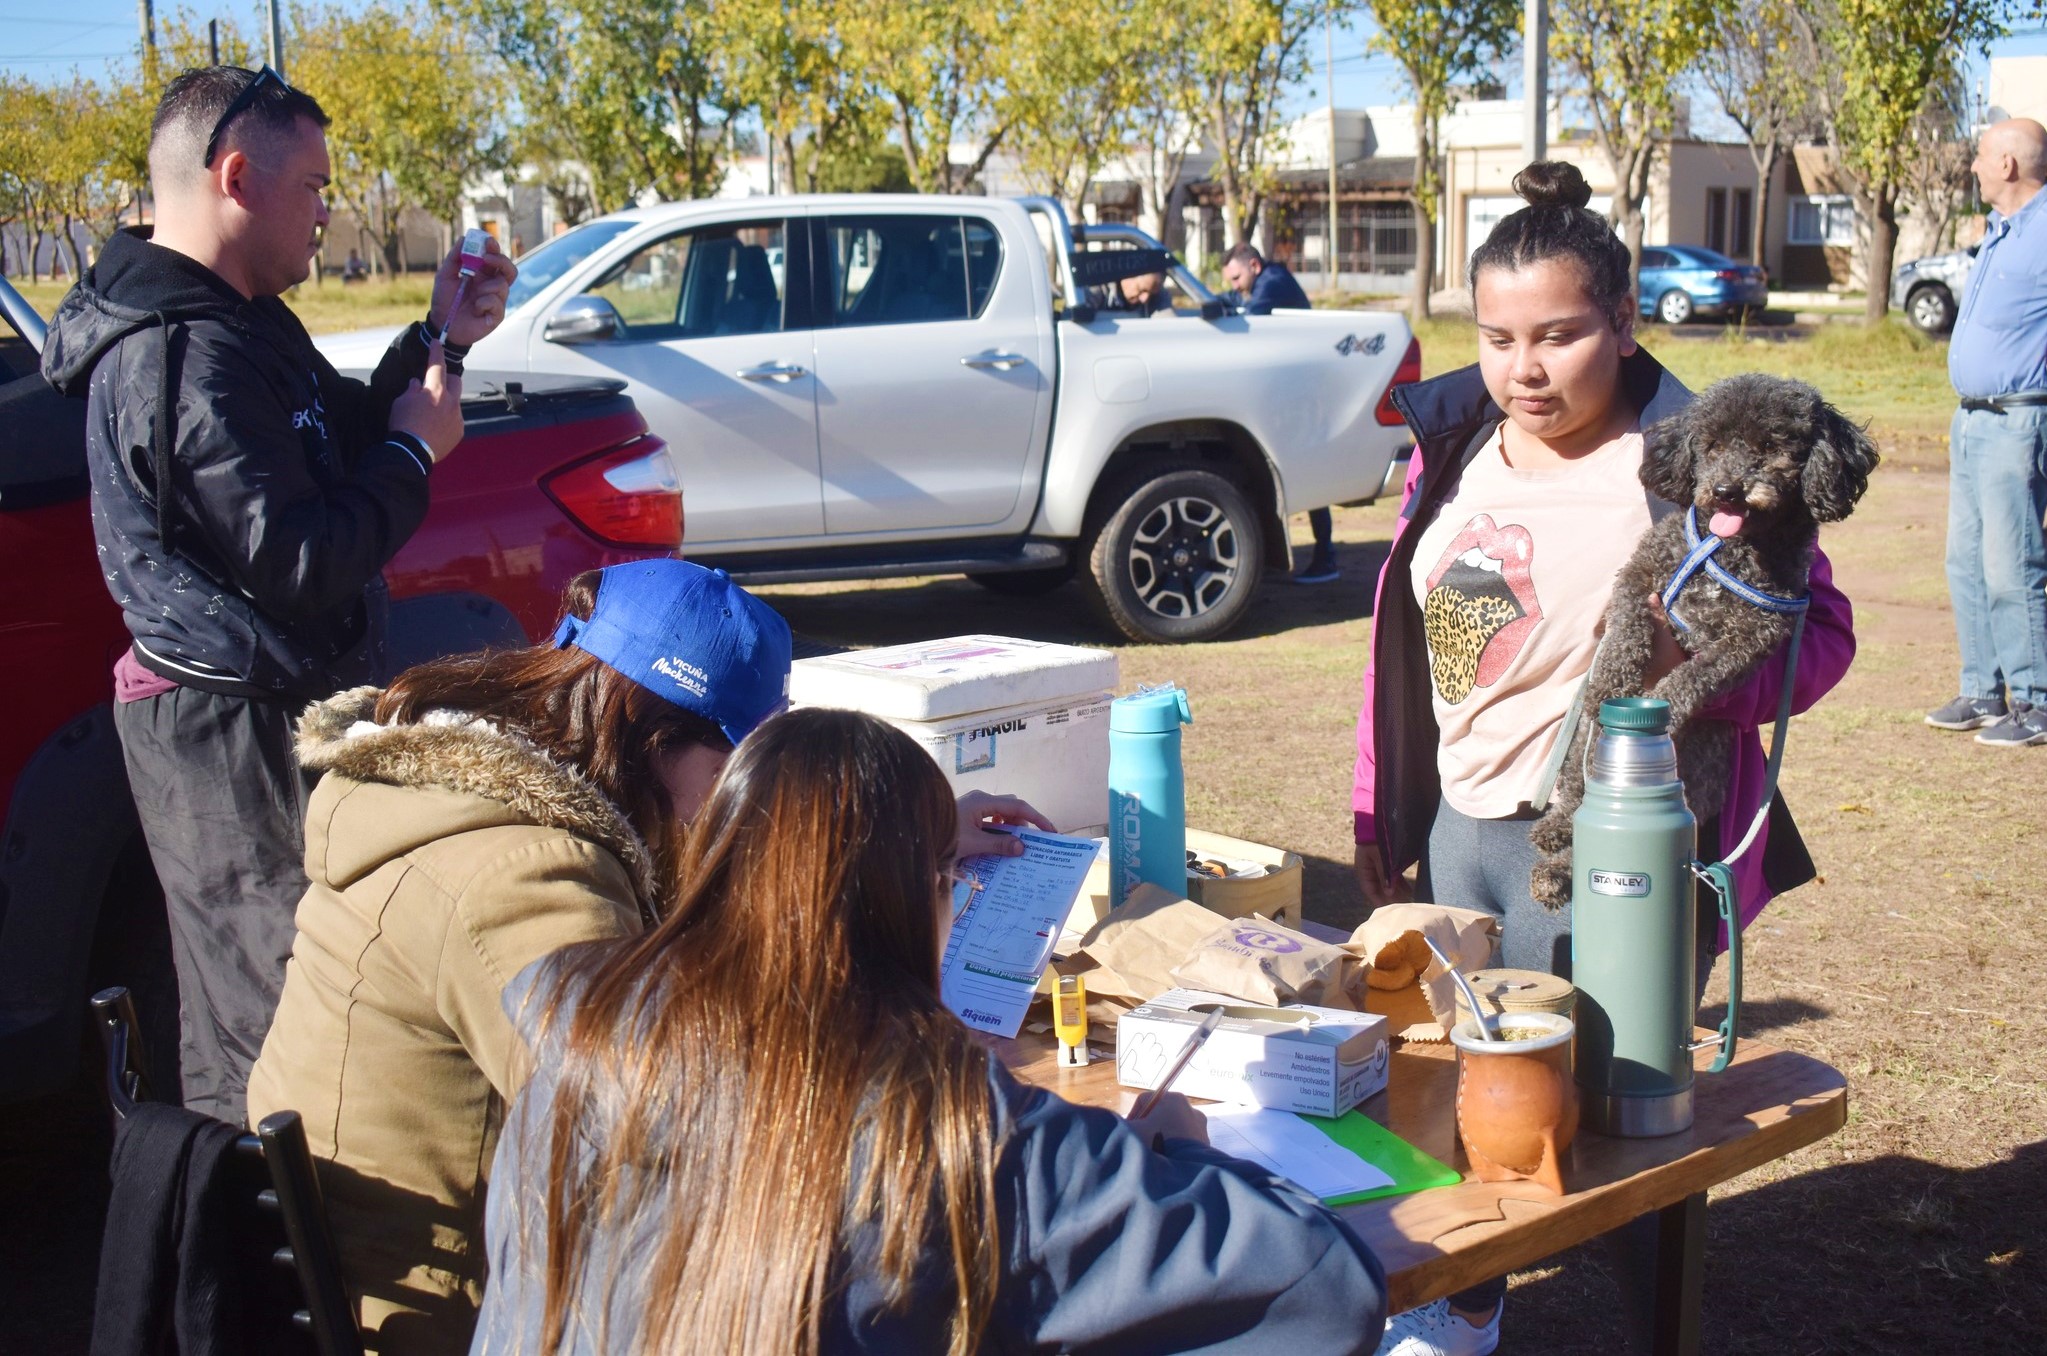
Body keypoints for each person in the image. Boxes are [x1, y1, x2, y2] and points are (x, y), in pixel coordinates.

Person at [247, 560, 1052, 1355]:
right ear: (649, 736)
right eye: (730, 770)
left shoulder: (493, 794)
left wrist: (907, 836)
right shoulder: (521, 878)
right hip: (447, 1309)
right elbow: (678, 1134)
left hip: (439, 1261)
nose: (737, 806)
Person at [1350, 161, 1855, 1356]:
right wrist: (1387, 822)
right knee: (1448, 1107)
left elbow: (1813, 642)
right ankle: (1460, 1315)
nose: (1524, 368)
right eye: (1496, 336)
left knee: (1621, 1128)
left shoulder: (1693, 470)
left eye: (1561, 335)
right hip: (1456, 835)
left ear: (1624, 325)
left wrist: (1687, 694)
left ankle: (1649, 1333)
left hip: (1599, 845)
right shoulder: (1454, 445)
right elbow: (1413, 652)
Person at [471, 705, 1389, 1356]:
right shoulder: (951, 1128)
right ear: (919, 896)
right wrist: (1183, 1159)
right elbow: (1320, 1288)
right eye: (947, 875)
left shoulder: (582, 1038)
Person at [40, 66, 517, 1122]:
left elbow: (329, 437)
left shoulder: (239, 321)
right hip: (227, 733)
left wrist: (439, 341)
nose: (327, 214)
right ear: (238, 176)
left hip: (284, 710)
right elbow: (298, 556)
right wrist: (411, 455)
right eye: (314, 187)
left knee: (331, 998)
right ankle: (273, 1272)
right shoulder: (174, 358)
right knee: (277, 1030)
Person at [1926, 116, 2047, 748]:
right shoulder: (2002, 231)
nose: (1972, 165)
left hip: (2018, 416)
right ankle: (1981, 690)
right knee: (1965, 560)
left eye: (1980, 155)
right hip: (1972, 416)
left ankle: (2034, 701)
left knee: (2010, 563)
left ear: (2007, 165)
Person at [1222, 241, 1339, 582]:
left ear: (1254, 266)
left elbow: (1248, 320)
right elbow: (1232, 301)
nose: (1234, 285)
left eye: (1236, 278)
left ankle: (1326, 556)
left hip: (1305, 395)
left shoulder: (1272, 283)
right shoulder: (1265, 280)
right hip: (1296, 390)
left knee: (1310, 469)